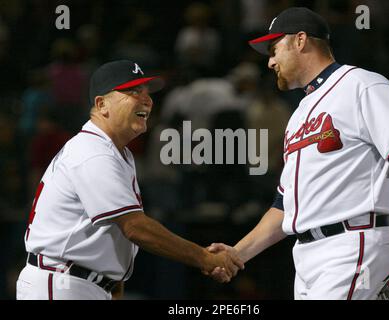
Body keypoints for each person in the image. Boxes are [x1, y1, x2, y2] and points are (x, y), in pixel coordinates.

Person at [208, 7, 389, 300]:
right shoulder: (298, 115)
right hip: (306, 257)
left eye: (274, 50)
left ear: (300, 40)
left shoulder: (361, 84)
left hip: (352, 245)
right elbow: (286, 206)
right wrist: (238, 253)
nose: (270, 61)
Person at [16, 60, 243, 300]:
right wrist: (205, 258)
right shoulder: (93, 152)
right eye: (133, 91)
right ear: (102, 105)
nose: (147, 99)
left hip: (80, 282)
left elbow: (111, 237)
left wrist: (113, 287)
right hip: (63, 283)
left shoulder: (113, 151)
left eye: (147, 91)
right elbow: (134, 227)